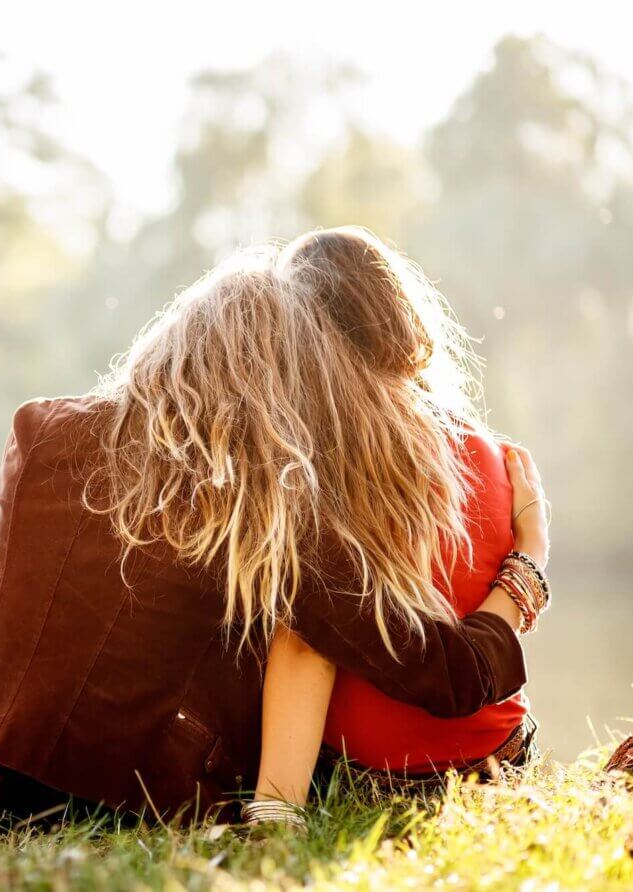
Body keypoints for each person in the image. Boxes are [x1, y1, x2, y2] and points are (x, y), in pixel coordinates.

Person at [0, 234, 546, 834]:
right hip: (124, 811)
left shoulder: (40, 431)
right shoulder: (268, 502)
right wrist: (528, 562)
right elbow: (450, 675)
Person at [248, 228, 549, 828]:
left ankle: (277, 808)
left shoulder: (317, 467)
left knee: (293, 617)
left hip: (372, 781)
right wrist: (535, 550)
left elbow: (308, 647)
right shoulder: (491, 454)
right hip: (498, 762)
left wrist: (276, 814)